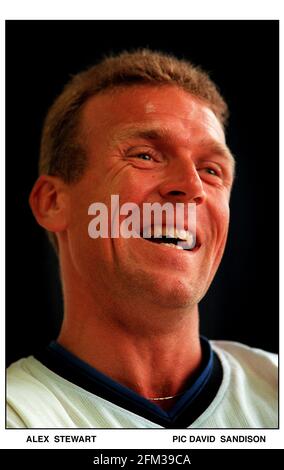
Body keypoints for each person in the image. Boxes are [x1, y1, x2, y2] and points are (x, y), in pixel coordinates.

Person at [6, 49, 277, 428]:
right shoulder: (17, 416)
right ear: (53, 203)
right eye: (146, 155)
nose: (192, 186)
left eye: (212, 170)